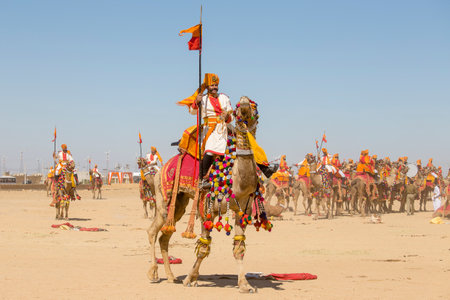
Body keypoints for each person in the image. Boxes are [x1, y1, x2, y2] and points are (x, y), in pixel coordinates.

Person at [179, 73, 275, 189]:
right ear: (208, 86)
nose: (214, 87)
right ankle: (202, 179)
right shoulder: (202, 98)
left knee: (246, 142)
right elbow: (192, 112)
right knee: (211, 149)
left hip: (225, 127)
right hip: (209, 129)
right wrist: (196, 102)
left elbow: (231, 115)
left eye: (216, 85)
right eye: (212, 85)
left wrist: (227, 117)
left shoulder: (224, 98)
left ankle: (265, 169)